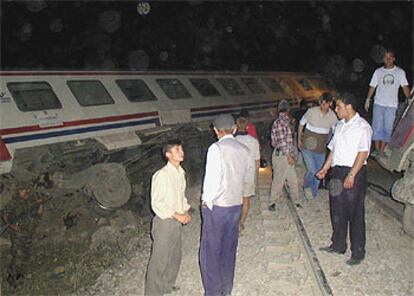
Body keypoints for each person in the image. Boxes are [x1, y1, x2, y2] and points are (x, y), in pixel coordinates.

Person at [200, 114, 253, 296]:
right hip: (235, 205)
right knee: (229, 248)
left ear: (216, 131)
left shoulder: (216, 149)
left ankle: (213, 292)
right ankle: (226, 289)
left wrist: (206, 202)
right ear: (235, 129)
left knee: (211, 251)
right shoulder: (244, 149)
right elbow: (247, 179)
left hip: (218, 207)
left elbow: (211, 181)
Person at [316, 92, 372, 266]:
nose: (336, 110)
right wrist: (325, 168)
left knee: (354, 212)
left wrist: (352, 174)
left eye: (338, 107)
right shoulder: (339, 125)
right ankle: (338, 244)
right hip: (337, 172)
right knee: (337, 210)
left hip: (353, 171)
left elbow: (363, 153)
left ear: (349, 107)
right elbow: (334, 149)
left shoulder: (362, 127)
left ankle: (358, 251)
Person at [145, 140, 192, 296]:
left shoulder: (180, 173)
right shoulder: (161, 175)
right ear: (168, 154)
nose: (181, 152)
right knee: (159, 261)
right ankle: (153, 293)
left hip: (176, 221)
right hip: (165, 222)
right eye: (177, 149)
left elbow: (180, 196)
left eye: (181, 148)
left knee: (174, 256)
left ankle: (167, 286)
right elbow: (157, 203)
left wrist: (185, 210)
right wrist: (176, 214)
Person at [364, 49, 410, 156]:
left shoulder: (399, 72)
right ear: (383, 59)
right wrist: (368, 99)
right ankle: (376, 149)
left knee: (388, 128)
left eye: (390, 57)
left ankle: (382, 150)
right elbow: (372, 86)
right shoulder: (378, 72)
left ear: (393, 59)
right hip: (379, 103)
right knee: (377, 127)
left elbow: (405, 87)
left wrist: (409, 98)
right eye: (386, 57)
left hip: (391, 105)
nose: (388, 59)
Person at [2, 181, 43, 288]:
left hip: (28, 233)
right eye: (21, 190)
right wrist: (12, 226)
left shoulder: (31, 202)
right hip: (17, 234)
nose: (23, 192)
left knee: (27, 255)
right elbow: (5, 215)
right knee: (17, 255)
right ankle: (12, 279)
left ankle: (20, 278)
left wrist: (40, 204)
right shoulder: (14, 202)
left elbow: (38, 215)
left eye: (25, 190)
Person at [298, 93, 338, 199]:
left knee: (320, 173)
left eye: (325, 103)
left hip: (320, 150)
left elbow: (335, 133)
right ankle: (306, 186)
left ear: (329, 103)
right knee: (313, 170)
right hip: (307, 148)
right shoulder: (311, 112)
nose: (323, 105)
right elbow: (301, 124)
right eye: (322, 102)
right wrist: (299, 139)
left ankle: (312, 194)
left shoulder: (333, 116)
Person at [268, 100, 300, 211]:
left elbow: (276, 142)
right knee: (279, 180)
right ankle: (272, 202)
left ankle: (296, 200)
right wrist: (289, 156)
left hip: (282, 155)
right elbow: (282, 143)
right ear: (288, 110)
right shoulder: (282, 123)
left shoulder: (280, 122)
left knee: (292, 179)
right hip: (282, 156)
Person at [235, 116, 260, 232]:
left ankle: (233, 222)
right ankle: (241, 223)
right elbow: (257, 160)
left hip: (234, 175)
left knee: (234, 200)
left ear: (235, 127)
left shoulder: (232, 141)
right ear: (247, 127)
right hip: (248, 175)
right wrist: (256, 176)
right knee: (246, 200)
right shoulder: (253, 141)